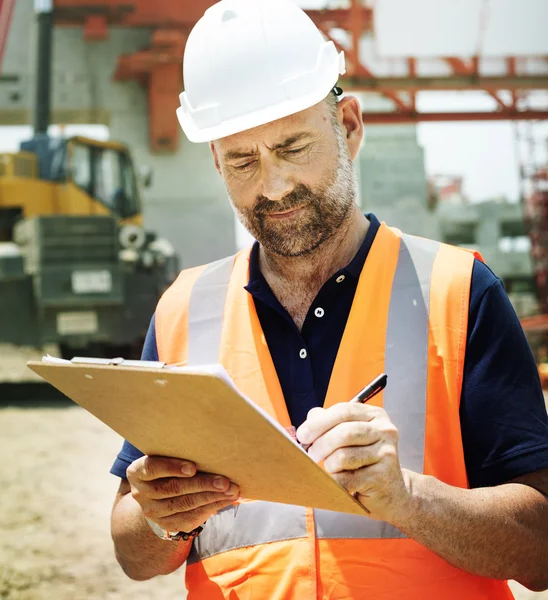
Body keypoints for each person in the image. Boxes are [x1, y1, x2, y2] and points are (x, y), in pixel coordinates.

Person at [109, 1, 548, 597]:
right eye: (242, 160)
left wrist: (408, 498)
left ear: (348, 125)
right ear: (216, 161)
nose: (274, 185)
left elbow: (541, 552)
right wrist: (159, 517)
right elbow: (134, 555)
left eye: (293, 147)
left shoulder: (459, 292)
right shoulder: (184, 309)